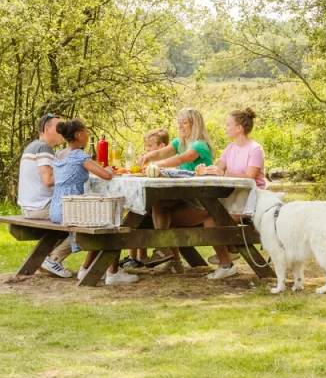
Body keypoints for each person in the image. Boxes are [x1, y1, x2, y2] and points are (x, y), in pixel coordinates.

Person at [50, 119, 139, 285]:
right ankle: (112, 273)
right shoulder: (79, 155)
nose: (88, 136)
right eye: (87, 133)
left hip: (57, 206)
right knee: (113, 223)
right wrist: (109, 169)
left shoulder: (59, 154)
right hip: (70, 208)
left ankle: (86, 269)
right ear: (80, 135)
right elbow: (106, 175)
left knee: (107, 220)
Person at [139, 108, 214, 275]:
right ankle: (169, 257)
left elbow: (181, 159)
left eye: (185, 122)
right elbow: (161, 152)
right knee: (158, 204)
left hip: (203, 204)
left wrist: (158, 165)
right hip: (186, 198)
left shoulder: (199, 145)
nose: (180, 126)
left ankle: (164, 249)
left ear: (195, 125)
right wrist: (148, 156)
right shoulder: (179, 142)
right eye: (179, 122)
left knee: (162, 215)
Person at [196, 107, 267, 279]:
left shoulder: (255, 149)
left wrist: (223, 174)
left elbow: (250, 177)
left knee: (212, 221)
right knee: (208, 218)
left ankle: (226, 260)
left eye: (228, 125)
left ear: (239, 128)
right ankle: (227, 256)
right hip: (233, 196)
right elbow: (219, 168)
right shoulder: (230, 148)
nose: (225, 128)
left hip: (252, 199)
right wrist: (205, 170)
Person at [17, 113, 74, 278]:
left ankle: (48, 258)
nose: (62, 130)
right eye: (58, 127)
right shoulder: (44, 148)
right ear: (47, 129)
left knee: (78, 214)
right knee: (86, 218)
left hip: (30, 206)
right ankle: (54, 259)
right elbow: (48, 180)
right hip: (41, 207)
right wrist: (70, 170)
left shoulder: (33, 146)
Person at [121, 128, 170, 269]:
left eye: (150, 146)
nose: (147, 149)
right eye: (146, 146)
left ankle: (139, 257)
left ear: (161, 147)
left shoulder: (166, 162)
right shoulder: (150, 160)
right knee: (136, 209)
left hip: (163, 203)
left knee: (139, 213)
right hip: (151, 203)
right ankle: (135, 257)